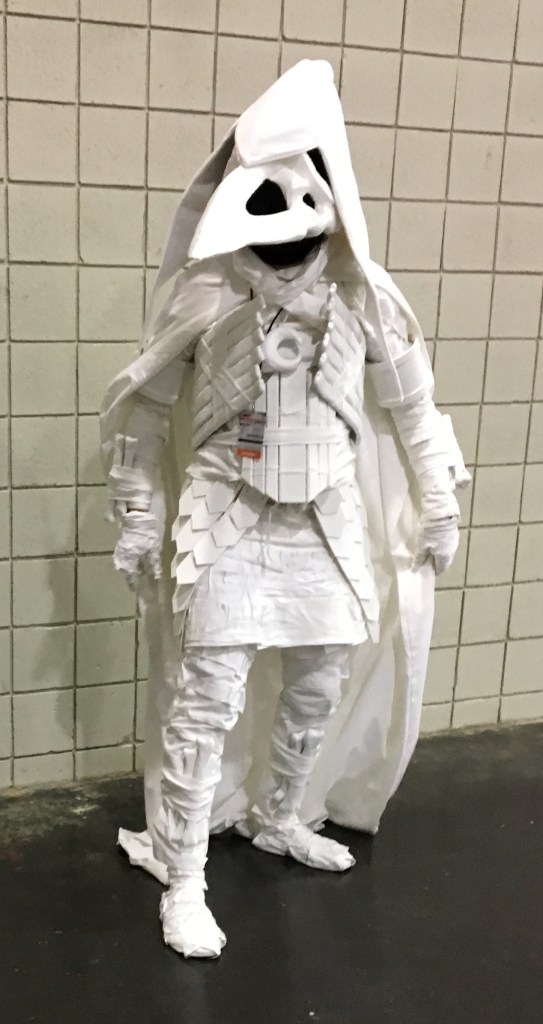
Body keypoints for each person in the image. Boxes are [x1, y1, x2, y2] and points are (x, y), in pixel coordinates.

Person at [100, 60, 469, 959]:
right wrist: (138, 512)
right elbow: (142, 409)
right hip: (225, 515)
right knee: (205, 703)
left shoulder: (365, 297)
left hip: (325, 523)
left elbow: (414, 407)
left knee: (317, 684)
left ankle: (278, 815)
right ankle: (184, 877)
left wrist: (436, 497)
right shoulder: (204, 293)